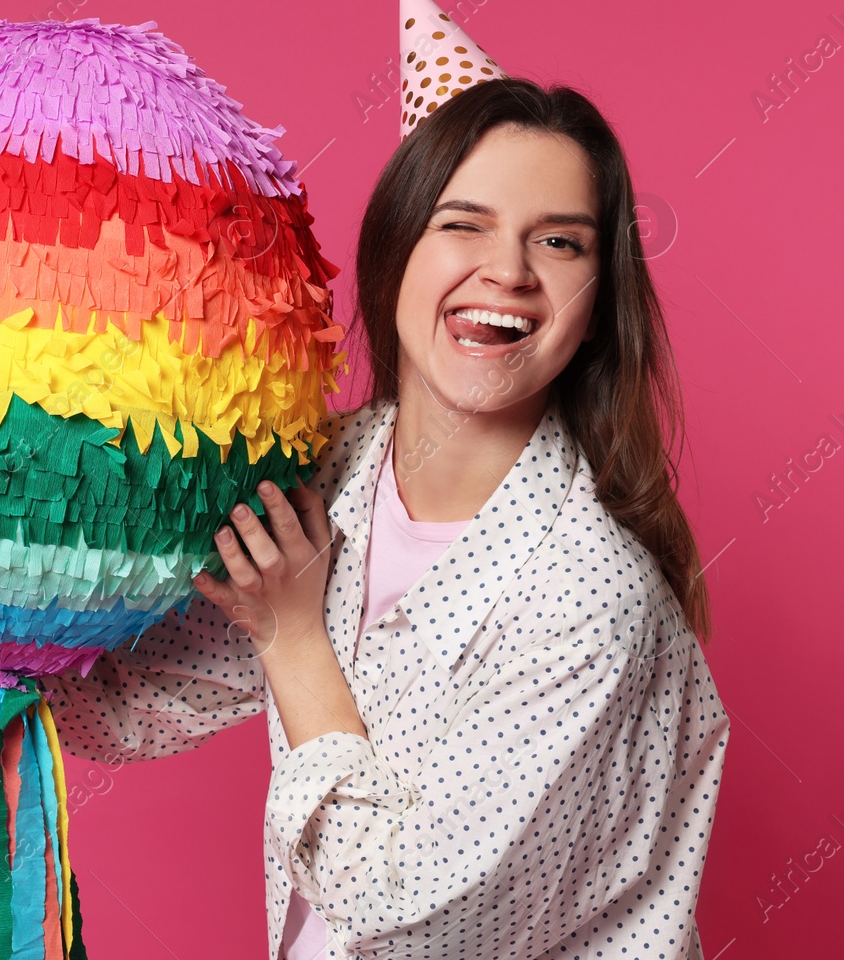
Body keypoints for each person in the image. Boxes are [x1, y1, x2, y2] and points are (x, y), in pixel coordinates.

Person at [37, 72, 732, 959]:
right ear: (395, 250)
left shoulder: (590, 593)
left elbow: (412, 923)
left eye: (558, 241)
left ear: (596, 301)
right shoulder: (329, 470)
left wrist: (293, 639)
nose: (510, 271)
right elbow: (131, 700)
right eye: (463, 223)